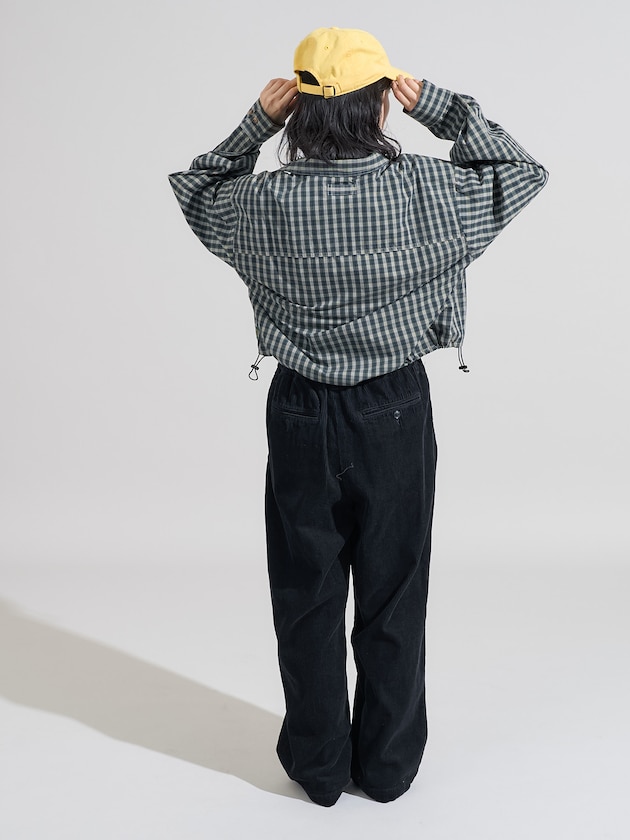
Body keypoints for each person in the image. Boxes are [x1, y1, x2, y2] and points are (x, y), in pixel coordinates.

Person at [169, 26, 547, 807]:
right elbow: (521, 171)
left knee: (305, 590)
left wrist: (254, 124)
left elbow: (197, 188)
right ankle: (388, 764)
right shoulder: (432, 193)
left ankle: (318, 767)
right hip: (394, 408)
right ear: (380, 103)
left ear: (300, 108)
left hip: (299, 408)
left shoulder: (261, 203)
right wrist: (440, 107)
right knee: (395, 589)